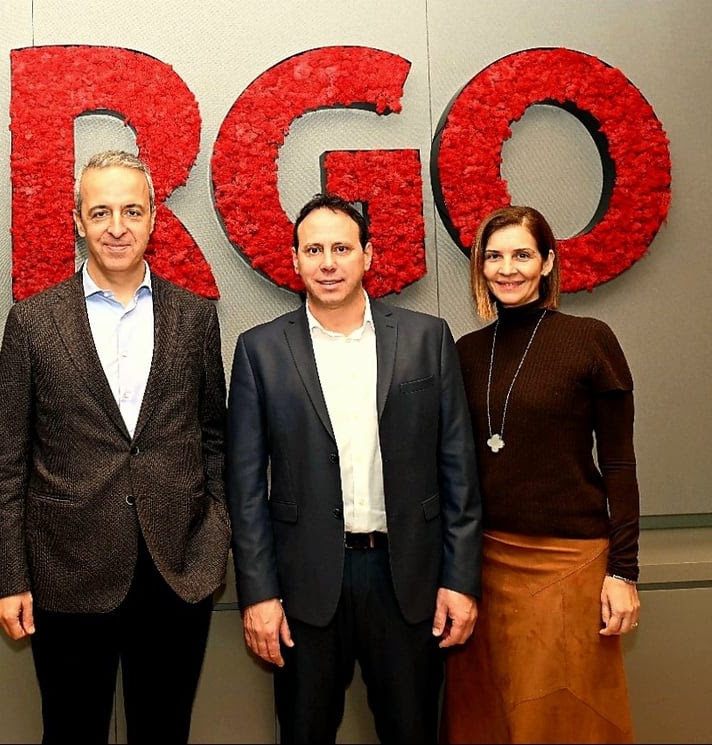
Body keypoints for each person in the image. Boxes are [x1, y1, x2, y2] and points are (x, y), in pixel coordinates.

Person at [0, 149, 231, 744]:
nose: (117, 227)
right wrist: (9, 577)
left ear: (153, 219)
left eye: (131, 211)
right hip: (67, 572)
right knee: (71, 732)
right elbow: (5, 463)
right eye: (100, 212)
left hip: (177, 570)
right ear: (78, 220)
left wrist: (215, 533)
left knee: (165, 732)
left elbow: (214, 438)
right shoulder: (33, 322)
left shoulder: (196, 317)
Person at [225, 193, 483, 743]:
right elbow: (244, 490)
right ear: (294, 260)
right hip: (304, 585)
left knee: (412, 731)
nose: (328, 263)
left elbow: (459, 471)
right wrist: (259, 594)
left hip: (407, 580)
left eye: (341, 248)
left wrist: (460, 581)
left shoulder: (427, 339)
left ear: (368, 254)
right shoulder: (259, 351)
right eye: (313, 249)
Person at [441, 205, 640, 743]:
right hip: (484, 566)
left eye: (522, 255)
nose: (507, 269)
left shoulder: (590, 339)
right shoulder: (464, 353)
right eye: (494, 256)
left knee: (562, 719)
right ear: (480, 266)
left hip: (568, 563)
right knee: (486, 718)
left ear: (548, 262)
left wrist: (623, 573)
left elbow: (620, 464)